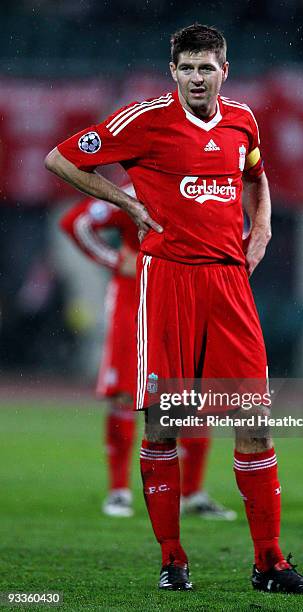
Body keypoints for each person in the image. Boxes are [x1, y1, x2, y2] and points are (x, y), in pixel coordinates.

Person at [45, 23, 303, 594]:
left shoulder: (242, 118)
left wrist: (263, 224)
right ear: (173, 71)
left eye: (208, 67)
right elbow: (61, 159)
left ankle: (269, 564)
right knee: (165, 421)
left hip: (228, 284)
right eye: (188, 68)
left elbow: (254, 173)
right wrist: (125, 199)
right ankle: (173, 558)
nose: (198, 77)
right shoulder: (143, 120)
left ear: (226, 69)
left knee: (254, 422)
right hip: (167, 282)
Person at [60, 187, 237, 520]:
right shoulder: (132, 192)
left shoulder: (204, 188)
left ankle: (192, 493)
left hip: (187, 297)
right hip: (134, 299)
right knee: (127, 392)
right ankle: (119, 491)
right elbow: (76, 221)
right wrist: (114, 259)